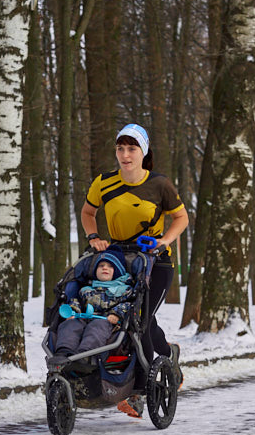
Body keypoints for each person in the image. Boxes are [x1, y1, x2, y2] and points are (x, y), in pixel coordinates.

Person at [81, 123, 189, 419]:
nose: (125, 155)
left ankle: (139, 391)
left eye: (132, 148)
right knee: (132, 320)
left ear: (143, 152)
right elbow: (88, 212)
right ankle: (167, 353)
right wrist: (94, 237)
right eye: (120, 148)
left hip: (155, 260)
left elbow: (181, 217)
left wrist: (164, 240)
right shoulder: (103, 182)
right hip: (119, 260)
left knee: (141, 319)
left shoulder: (159, 184)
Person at [50, 253, 134, 362]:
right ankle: (64, 351)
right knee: (70, 325)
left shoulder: (123, 290)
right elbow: (76, 301)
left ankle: (85, 355)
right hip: (84, 317)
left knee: (96, 328)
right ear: (95, 272)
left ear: (117, 272)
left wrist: (116, 314)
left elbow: (127, 305)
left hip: (106, 321)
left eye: (110, 266)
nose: (105, 268)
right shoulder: (86, 290)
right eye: (101, 265)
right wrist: (73, 310)